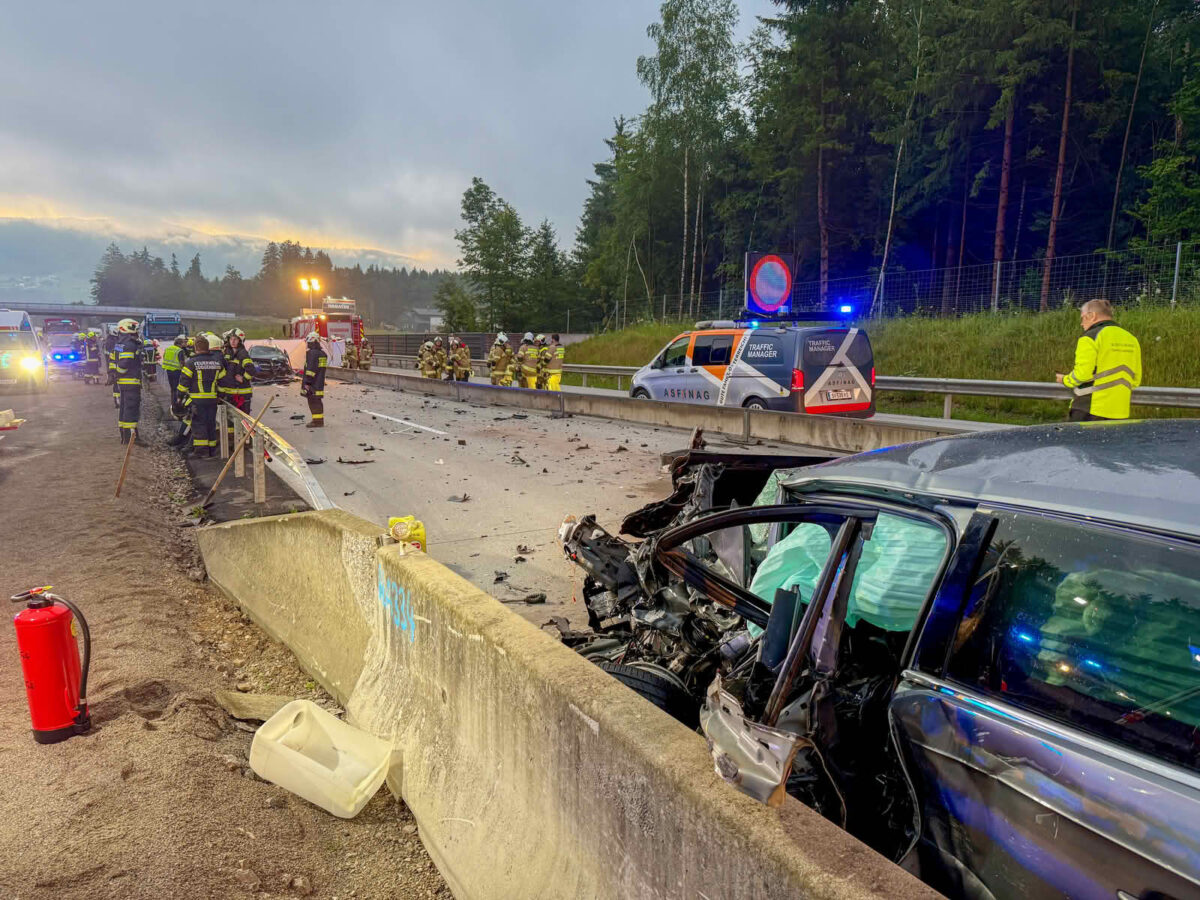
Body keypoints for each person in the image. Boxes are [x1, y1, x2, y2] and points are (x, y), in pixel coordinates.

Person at [1056, 298, 1143, 422]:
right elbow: (1136, 380)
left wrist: (1064, 380)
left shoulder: (1090, 337)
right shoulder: (1131, 339)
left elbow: (1082, 374)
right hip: (1120, 412)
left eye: (1083, 318)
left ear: (1092, 316)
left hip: (1089, 409)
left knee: (1078, 442)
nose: (1081, 323)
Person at [174, 333, 224, 456]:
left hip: (197, 401)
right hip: (212, 400)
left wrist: (179, 397)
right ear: (208, 347)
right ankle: (212, 450)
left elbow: (183, 383)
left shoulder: (191, 363)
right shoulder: (217, 362)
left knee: (199, 425)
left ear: (196, 348)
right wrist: (220, 395)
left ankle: (201, 452)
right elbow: (222, 380)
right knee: (210, 424)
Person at [218, 328, 256, 442]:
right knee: (231, 420)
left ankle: (246, 441)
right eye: (231, 339)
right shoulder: (227, 353)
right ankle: (232, 441)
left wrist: (243, 379)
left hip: (242, 394)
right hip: (230, 393)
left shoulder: (242, 353)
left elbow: (251, 370)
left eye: (235, 339)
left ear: (240, 341)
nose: (233, 341)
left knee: (244, 419)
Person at [113, 318, 144, 444]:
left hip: (124, 381)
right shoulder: (130, 344)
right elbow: (125, 363)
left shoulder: (120, 343)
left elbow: (114, 359)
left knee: (125, 408)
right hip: (131, 380)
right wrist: (119, 372)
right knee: (131, 409)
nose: (136, 331)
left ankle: (124, 436)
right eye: (134, 327)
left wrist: (116, 374)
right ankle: (132, 438)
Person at [301, 331, 327, 427]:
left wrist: (307, 383)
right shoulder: (322, 353)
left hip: (312, 384)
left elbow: (310, 370)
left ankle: (317, 422)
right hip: (319, 383)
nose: (308, 344)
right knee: (317, 401)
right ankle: (319, 420)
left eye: (308, 342)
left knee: (313, 402)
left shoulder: (312, 353)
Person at [104, 327, 119, 406]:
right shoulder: (110, 341)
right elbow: (109, 354)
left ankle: (117, 400)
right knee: (115, 382)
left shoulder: (115, 339)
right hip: (113, 364)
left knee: (116, 383)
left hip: (114, 363)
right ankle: (116, 401)